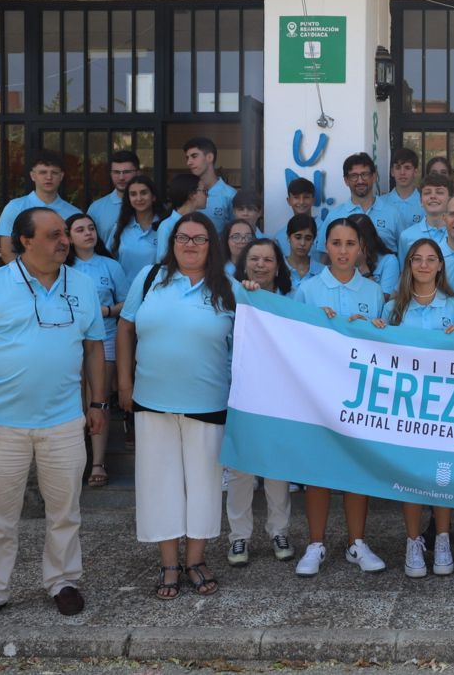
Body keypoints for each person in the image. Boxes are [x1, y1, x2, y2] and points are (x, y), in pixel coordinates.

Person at [0, 207, 106, 630]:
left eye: (65, 234)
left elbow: (94, 347)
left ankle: (62, 582)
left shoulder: (83, 284)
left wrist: (97, 404)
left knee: (65, 511)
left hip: (62, 423)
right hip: (0, 425)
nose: (64, 241)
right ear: (26, 241)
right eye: (55, 234)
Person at [118, 212, 237, 599]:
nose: (190, 244)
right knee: (159, 484)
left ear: (211, 246)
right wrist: (123, 382)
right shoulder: (149, 278)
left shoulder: (230, 287)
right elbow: (125, 327)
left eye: (199, 239)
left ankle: (196, 560)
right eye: (182, 237)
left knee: (203, 486)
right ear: (171, 243)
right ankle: (169, 562)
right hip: (152, 400)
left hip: (209, 402)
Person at [293, 217, 388, 576]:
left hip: (359, 396)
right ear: (325, 247)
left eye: (351, 244)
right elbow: (296, 341)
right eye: (336, 243)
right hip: (319, 394)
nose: (343, 251)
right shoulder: (308, 289)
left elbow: (382, 346)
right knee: (318, 471)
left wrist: (380, 331)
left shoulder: (374, 293)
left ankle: (356, 543)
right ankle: (315, 543)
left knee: (355, 470)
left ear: (362, 248)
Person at [383, 237, 454, 577]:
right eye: (417, 259)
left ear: (441, 265)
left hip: (447, 405)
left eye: (431, 259)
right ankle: (413, 541)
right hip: (406, 407)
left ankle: (442, 538)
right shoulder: (393, 309)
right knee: (412, 475)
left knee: (442, 474)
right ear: (409, 265)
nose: (424, 265)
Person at [224, 238, 295, 568]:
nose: (261, 265)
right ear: (244, 263)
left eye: (268, 260)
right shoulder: (234, 296)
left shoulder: (290, 303)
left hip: (278, 396)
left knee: (277, 466)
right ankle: (238, 537)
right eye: (254, 259)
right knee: (240, 469)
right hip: (240, 392)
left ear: (278, 266)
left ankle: (279, 531)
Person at [65, 213, 128, 489]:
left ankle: (98, 462)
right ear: (68, 236)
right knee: (75, 400)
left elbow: (127, 303)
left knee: (97, 398)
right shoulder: (62, 267)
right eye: (80, 229)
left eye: (91, 227)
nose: (88, 233)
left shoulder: (111, 266)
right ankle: (76, 460)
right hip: (69, 341)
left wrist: (105, 311)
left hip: (106, 337)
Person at [0, 151, 81, 263]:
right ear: (32, 176)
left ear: (61, 176)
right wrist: (27, 278)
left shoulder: (74, 213)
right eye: (43, 172)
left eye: (54, 173)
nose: (49, 177)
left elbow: (79, 252)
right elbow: (7, 252)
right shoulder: (15, 207)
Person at [316, 152, 400, 254]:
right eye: (354, 176)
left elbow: (404, 253)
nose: (360, 181)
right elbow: (323, 255)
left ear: (374, 177)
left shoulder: (393, 214)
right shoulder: (334, 216)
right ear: (346, 180)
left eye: (364, 174)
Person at [110, 174, 165, 281]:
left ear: (153, 197)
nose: (139, 198)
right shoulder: (120, 227)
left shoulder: (165, 226)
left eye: (144, 193)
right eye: (133, 194)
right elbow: (109, 261)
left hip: (154, 292)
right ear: (129, 199)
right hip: (124, 294)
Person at [184, 137, 236, 234]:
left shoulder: (230, 195)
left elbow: (237, 231)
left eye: (194, 156)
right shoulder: (186, 192)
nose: (189, 162)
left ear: (209, 157)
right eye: (187, 158)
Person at [87, 150, 140, 242]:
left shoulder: (150, 207)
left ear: (138, 173)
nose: (121, 177)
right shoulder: (96, 209)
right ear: (110, 173)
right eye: (116, 172)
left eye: (126, 172)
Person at [397, 173, 451, 262]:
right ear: (421, 201)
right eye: (427, 192)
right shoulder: (406, 236)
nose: (433, 196)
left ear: (449, 200)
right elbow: (404, 272)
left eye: (439, 192)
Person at [155, 174, 207, 262]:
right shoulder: (167, 226)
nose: (207, 195)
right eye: (204, 191)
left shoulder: (201, 223)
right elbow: (162, 261)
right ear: (192, 194)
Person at [351, 213, 401, 299]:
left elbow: (383, 300)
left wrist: (363, 268)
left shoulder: (389, 261)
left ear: (367, 239)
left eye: (352, 241)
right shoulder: (343, 257)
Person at [379, 147, 426, 236]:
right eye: (398, 167)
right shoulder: (380, 203)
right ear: (392, 172)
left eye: (407, 168)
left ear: (415, 172)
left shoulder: (425, 203)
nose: (402, 172)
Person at [275, 177, 326, 258]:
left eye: (306, 197)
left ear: (313, 200)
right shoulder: (279, 237)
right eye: (296, 197)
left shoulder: (326, 230)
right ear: (289, 201)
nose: (301, 202)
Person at [284, 213, 323, 288]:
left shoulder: (322, 272)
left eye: (308, 238)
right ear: (288, 237)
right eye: (298, 237)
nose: (302, 243)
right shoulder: (276, 269)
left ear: (313, 240)